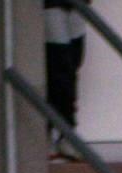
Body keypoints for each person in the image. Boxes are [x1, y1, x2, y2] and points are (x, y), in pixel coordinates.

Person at [44, 0, 86, 161]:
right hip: (50, 5)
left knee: (72, 64)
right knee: (60, 66)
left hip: (77, 5)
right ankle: (59, 131)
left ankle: (66, 133)